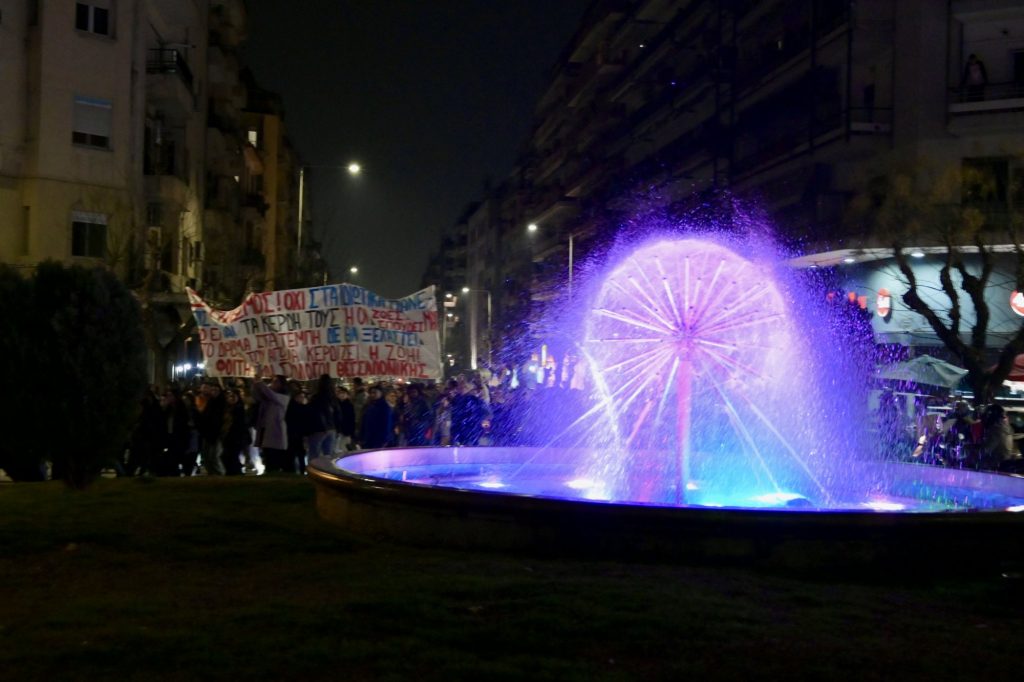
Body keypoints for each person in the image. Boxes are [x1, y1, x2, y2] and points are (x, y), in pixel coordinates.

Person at [252, 370, 291, 473]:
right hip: (265, 428)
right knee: (267, 453)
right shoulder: (268, 397)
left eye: (276, 382)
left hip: (275, 429)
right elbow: (257, 394)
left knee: (274, 454)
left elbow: (268, 393)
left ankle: (274, 472)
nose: (273, 384)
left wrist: (259, 381)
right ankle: (269, 471)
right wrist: (256, 382)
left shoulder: (283, 397)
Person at [196, 380, 227, 475]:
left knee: (214, 456)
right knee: (206, 456)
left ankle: (220, 474)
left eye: (216, 390)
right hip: (208, 433)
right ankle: (212, 474)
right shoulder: (210, 403)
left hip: (217, 434)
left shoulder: (222, 403)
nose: (214, 392)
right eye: (212, 390)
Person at [306, 374, 340, 459]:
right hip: (331, 428)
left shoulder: (316, 398)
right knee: (328, 455)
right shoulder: (333, 398)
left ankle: (314, 472)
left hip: (318, 429)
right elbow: (338, 414)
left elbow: (311, 414)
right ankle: (327, 471)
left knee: (314, 455)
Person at [221, 388, 251, 475]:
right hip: (228, 436)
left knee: (231, 456)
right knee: (228, 456)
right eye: (230, 396)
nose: (231, 398)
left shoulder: (239, 409)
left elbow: (240, 424)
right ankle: (233, 472)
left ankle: (235, 473)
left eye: (234, 396)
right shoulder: (227, 409)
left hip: (236, 437)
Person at [360, 385, 394, 450]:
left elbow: (387, 425)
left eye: (375, 392)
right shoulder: (370, 405)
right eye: (371, 393)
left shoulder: (385, 407)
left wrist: (384, 441)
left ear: (381, 393)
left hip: (378, 440)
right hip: (369, 438)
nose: (372, 394)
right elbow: (364, 421)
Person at [334, 385, 356, 452]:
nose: (342, 395)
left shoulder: (349, 405)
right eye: (340, 393)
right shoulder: (335, 405)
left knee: (345, 449)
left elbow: (352, 419)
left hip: (346, 431)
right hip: (336, 431)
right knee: (336, 449)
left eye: (344, 393)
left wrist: (351, 433)